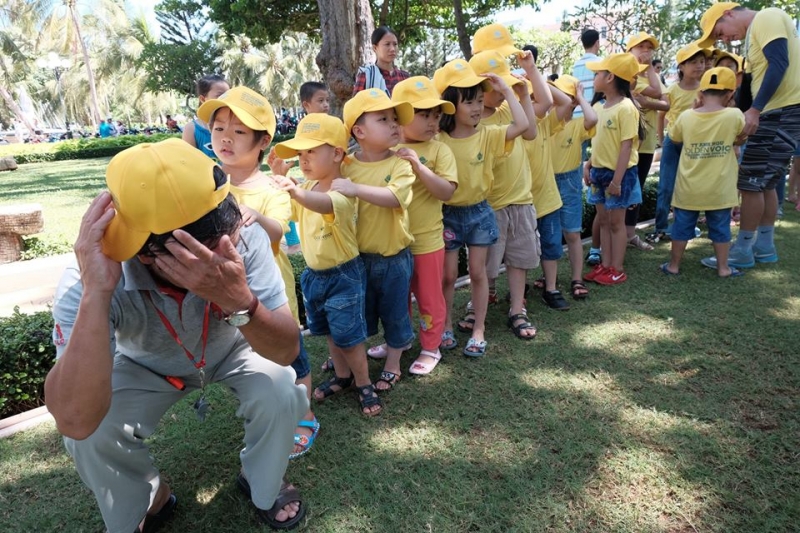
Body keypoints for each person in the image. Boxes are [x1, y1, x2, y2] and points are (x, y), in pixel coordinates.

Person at [44, 138, 308, 532]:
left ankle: (262, 481)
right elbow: (74, 420)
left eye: (229, 241)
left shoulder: (241, 234)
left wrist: (240, 301)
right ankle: (150, 497)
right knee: (92, 434)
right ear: (145, 253)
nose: (223, 257)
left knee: (282, 389)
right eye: (201, 254)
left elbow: (286, 352)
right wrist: (96, 294)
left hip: (235, 347)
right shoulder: (87, 278)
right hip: (143, 364)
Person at [197, 86, 320, 457]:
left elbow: (279, 232)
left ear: (263, 141)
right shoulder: (203, 185)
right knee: (253, 362)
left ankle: (304, 415)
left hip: (270, 297)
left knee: (291, 360)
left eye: (238, 131)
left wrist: (254, 216)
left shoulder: (271, 188)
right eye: (219, 129)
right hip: (228, 299)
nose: (226, 138)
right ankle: (268, 414)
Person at [273, 113, 382, 416]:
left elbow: (323, 204)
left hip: (343, 276)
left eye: (311, 151)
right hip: (314, 276)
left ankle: (364, 383)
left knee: (350, 338)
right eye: (300, 153)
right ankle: (343, 376)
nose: (303, 158)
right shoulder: (308, 186)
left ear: (336, 154)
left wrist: (296, 190)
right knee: (332, 333)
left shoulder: (342, 189)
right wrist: (283, 181)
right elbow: (292, 210)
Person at [433, 59, 529, 356]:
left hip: (479, 213)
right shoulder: (438, 139)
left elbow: (523, 125)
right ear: (451, 105)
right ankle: (445, 325)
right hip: (447, 215)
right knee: (448, 276)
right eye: (469, 102)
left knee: (479, 273)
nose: (476, 108)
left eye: (478, 100)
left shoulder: (488, 134)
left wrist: (508, 90)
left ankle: (479, 329)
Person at [696, 2, 800, 267]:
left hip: (779, 112)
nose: (724, 39)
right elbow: (750, 85)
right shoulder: (754, 35)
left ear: (728, 14)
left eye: (720, 32)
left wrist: (756, 110)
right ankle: (764, 246)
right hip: (782, 112)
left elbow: (779, 63)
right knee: (766, 183)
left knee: (750, 183)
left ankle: (742, 249)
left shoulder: (766, 17)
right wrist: (737, 115)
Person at [331, 88, 417, 400]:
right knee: (359, 315)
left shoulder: (400, 163)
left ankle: (393, 363)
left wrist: (355, 189)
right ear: (359, 131)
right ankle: (352, 363)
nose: (394, 124)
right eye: (383, 119)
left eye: (395, 118)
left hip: (394, 258)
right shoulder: (346, 165)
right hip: (356, 260)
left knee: (395, 314)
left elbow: (395, 197)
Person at [369, 76, 458, 375]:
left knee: (429, 297)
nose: (433, 122)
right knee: (396, 298)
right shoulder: (387, 149)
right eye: (424, 114)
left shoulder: (440, 150)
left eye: (436, 115)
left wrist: (419, 167)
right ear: (400, 117)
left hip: (426, 240)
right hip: (393, 242)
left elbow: (446, 191)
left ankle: (431, 347)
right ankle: (399, 340)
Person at [467, 49, 541, 334]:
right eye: (495, 87)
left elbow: (530, 132)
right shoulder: (472, 123)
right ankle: (478, 304)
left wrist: (520, 94)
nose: (501, 92)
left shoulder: (509, 108)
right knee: (484, 265)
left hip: (520, 198)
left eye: (503, 85)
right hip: (490, 204)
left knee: (519, 259)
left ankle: (517, 309)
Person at [661, 67, 746, 277]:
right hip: (720, 188)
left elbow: (675, 138)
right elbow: (741, 137)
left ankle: (673, 265)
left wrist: (693, 110)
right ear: (730, 93)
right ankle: (723, 268)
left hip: (688, 186)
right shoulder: (735, 115)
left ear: (700, 93)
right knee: (721, 228)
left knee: (681, 226)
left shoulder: (686, 116)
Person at [582, 53, 646, 286]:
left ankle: (616, 269)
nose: (594, 77)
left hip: (619, 175)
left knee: (617, 223)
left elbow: (626, 147)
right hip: (599, 172)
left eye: (597, 73)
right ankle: (606, 265)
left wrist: (617, 181)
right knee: (604, 220)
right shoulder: (598, 107)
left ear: (610, 77)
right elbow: (599, 142)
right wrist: (589, 164)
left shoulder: (627, 108)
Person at [647, 42, 709, 243]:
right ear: (681, 66)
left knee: (691, 187)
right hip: (673, 142)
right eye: (693, 62)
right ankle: (660, 227)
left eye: (702, 61)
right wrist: (661, 139)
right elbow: (661, 115)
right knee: (666, 186)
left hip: (696, 145)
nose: (699, 66)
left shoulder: (707, 90)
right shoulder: (672, 90)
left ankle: (686, 225)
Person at [548, 75, 597, 300]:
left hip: (569, 183)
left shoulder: (577, 125)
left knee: (572, 233)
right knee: (550, 234)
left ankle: (577, 278)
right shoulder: (547, 124)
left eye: (564, 96)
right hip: (547, 182)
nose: (558, 100)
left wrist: (580, 97)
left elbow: (592, 118)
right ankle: (550, 277)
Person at [626, 32, 668, 251]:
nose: (646, 51)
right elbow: (657, 94)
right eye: (641, 46)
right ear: (629, 51)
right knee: (623, 189)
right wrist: (651, 100)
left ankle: (629, 234)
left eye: (649, 48)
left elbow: (665, 101)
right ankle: (616, 235)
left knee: (637, 190)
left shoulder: (653, 76)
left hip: (647, 143)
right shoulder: (627, 75)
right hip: (627, 143)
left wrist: (647, 102)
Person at [182, 74, 231, 158]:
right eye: (220, 96)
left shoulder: (235, 126)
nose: (226, 100)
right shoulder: (191, 129)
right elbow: (188, 161)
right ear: (203, 99)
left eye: (228, 95)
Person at [352, 26, 410, 96]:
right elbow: (357, 102)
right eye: (387, 44)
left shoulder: (405, 77)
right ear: (375, 48)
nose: (392, 49)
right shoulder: (366, 75)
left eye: (395, 44)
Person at [572, 28, 601, 118]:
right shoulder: (601, 63)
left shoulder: (576, 65)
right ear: (597, 43)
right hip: (594, 113)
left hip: (577, 113)